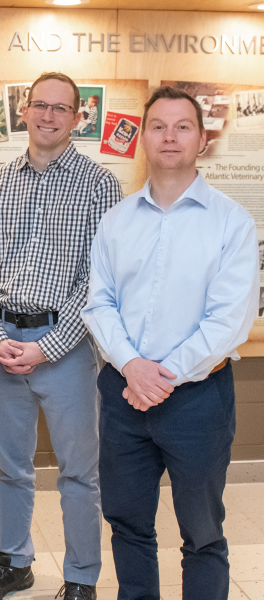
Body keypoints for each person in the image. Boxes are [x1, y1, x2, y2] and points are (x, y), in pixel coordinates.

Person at [82, 86, 259, 600]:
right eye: (158, 125)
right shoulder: (116, 220)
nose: (170, 136)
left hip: (198, 401)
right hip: (123, 397)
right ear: (142, 137)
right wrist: (132, 367)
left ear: (202, 139)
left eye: (183, 126)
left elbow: (228, 321)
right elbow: (98, 303)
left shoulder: (232, 223)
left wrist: (158, 377)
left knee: (202, 533)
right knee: (128, 524)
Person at [0, 72, 122, 600]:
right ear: (24, 112)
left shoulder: (99, 185)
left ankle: (80, 578)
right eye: (40, 106)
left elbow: (99, 282)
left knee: (79, 473)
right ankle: (14, 562)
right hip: (0, 343)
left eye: (61, 108)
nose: (48, 116)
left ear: (78, 118)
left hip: (66, 345)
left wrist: (47, 346)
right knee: (10, 469)